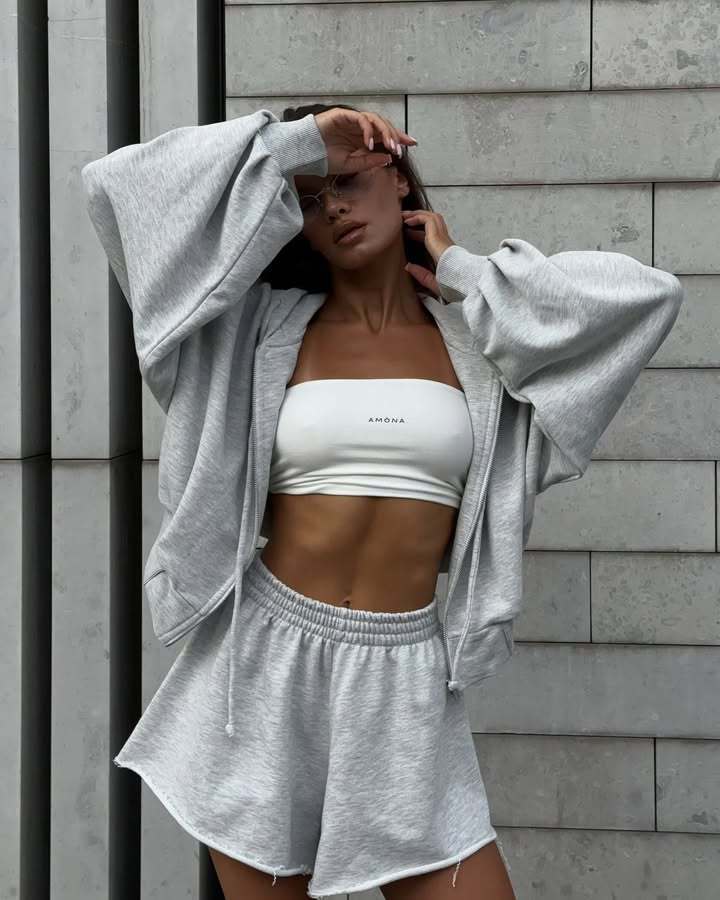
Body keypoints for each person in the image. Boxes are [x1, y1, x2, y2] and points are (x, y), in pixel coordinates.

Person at [81, 104, 683, 900]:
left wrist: (465, 271)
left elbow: (648, 299)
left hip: (405, 677)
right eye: (308, 198)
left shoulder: (479, 354)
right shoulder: (249, 337)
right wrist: (298, 145)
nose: (331, 207)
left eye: (347, 183)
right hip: (261, 668)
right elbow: (119, 190)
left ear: (398, 179)